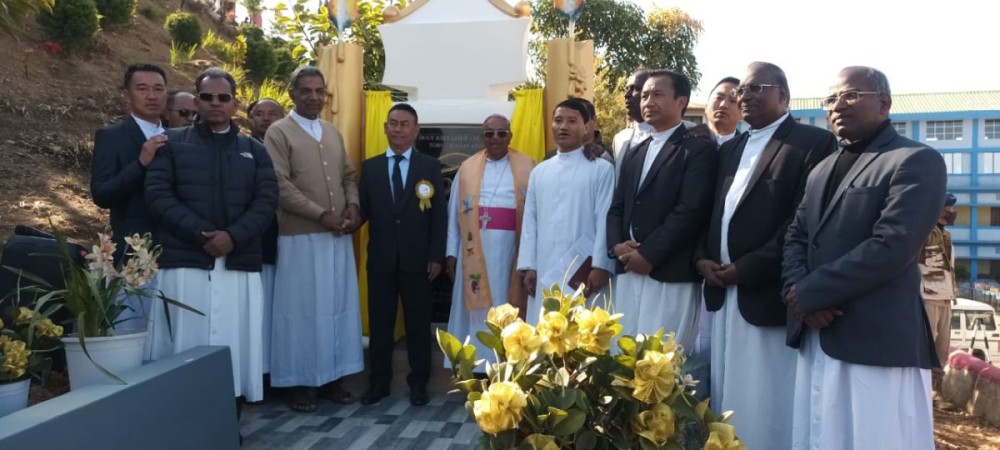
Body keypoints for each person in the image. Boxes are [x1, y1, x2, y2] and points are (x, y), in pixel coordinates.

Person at [782, 66, 945, 450]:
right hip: (817, 333)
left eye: (851, 94)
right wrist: (797, 292)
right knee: (818, 436)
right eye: (831, 98)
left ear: (884, 103)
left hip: (875, 340)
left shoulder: (915, 160)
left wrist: (812, 293)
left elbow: (892, 246)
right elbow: (796, 236)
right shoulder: (821, 169)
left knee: (877, 438)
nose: (838, 104)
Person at [695, 62, 837, 449]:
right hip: (722, 292)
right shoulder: (733, 146)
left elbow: (802, 223)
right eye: (742, 90)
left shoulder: (812, 143)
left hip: (767, 292)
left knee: (768, 400)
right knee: (727, 395)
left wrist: (747, 268)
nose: (745, 96)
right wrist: (702, 258)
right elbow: (712, 212)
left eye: (757, 88)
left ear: (783, 96)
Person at [144, 67, 278, 407]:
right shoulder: (170, 145)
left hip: (237, 265)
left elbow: (266, 203)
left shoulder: (255, 150)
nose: (215, 103)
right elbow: (158, 196)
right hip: (185, 262)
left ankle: (226, 424)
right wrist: (202, 234)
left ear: (234, 104)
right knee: (183, 347)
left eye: (223, 97)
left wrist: (232, 237)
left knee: (232, 347)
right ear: (197, 101)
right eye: (207, 97)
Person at [264, 67, 364, 412]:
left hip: (337, 237)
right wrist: (323, 216)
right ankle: (300, 383)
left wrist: (352, 207)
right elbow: (279, 186)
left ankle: (333, 378)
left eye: (319, 91)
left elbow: (349, 176)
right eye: (306, 91)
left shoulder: (332, 132)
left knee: (336, 308)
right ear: (291, 93)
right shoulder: (279, 133)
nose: (313, 97)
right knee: (302, 312)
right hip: (300, 238)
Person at [607, 69, 717, 350]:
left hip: (669, 272)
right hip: (629, 268)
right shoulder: (636, 148)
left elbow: (691, 210)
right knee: (622, 354)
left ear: (681, 101)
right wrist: (618, 247)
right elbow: (617, 205)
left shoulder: (698, 148)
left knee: (663, 364)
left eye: (657, 94)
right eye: (644, 95)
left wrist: (649, 254)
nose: (647, 102)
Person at [358, 103, 446, 407]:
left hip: (418, 262)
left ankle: (418, 384)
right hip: (381, 261)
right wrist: (343, 221)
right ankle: (378, 384)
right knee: (380, 326)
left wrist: (436, 256)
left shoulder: (429, 167)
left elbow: (439, 217)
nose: (398, 129)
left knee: (418, 326)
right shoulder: (369, 168)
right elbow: (362, 212)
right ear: (385, 127)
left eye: (404, 124)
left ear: (416, 130)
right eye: (393, 123)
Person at [445, 114, 534, 367]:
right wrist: (451, 253)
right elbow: (454, 215)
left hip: (510, 252)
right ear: (482, 136)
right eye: (489, 133)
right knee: (476, 309)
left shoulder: (528, 166)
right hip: (474, 250)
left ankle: (507, 366)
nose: (495, 138)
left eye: (501, 133)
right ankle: (474, 367)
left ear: (510, 136)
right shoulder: (467, 168)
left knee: (506, 303)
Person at [517, 99, 614, 323]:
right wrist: (529, 266)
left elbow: (605, 218)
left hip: (584, 270)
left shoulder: (601, 169)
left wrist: (600, 265)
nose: (563, 127)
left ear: (587, 127)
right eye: (558, 120)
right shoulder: (539, 172)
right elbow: (530, 222)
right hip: (545, 265)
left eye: (572, 121)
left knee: (584, 334)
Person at [90, 64, 168, 332]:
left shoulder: (181, 135)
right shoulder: (112, 136)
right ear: (127, 95)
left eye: (158, 89)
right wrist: (141, 163)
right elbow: (101, 193)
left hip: (179, 250)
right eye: (142, 89)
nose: (152, 96)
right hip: (135, 251)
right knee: (134, 331)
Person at [247, 97, 283, 394]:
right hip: (251, 245)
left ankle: (276, 372)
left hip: (286, 242)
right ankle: (256, 374)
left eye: (273, 114)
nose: (266, 119)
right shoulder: (242, 148)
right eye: (259, 114)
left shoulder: (289, 146)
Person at [919, 192, 959, 393]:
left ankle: (935, 393)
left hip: (945, 297)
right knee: (927, 346)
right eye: (948, 208)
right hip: (928, 295)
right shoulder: (925, 231)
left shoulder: (946, 235)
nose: (952, 212)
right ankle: (924, 393)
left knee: (941, 349)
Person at [611, 69, 653, 180]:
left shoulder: (686, 131)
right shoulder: (619, 139)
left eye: (636, 88)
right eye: (626, 89)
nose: (627, 95)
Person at [704, 77, 741, 145]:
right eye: (719, 98)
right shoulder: (685, 141)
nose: (723, 105)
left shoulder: (748, 148)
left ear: (742, 114)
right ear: (706, 107)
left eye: (733, 101)